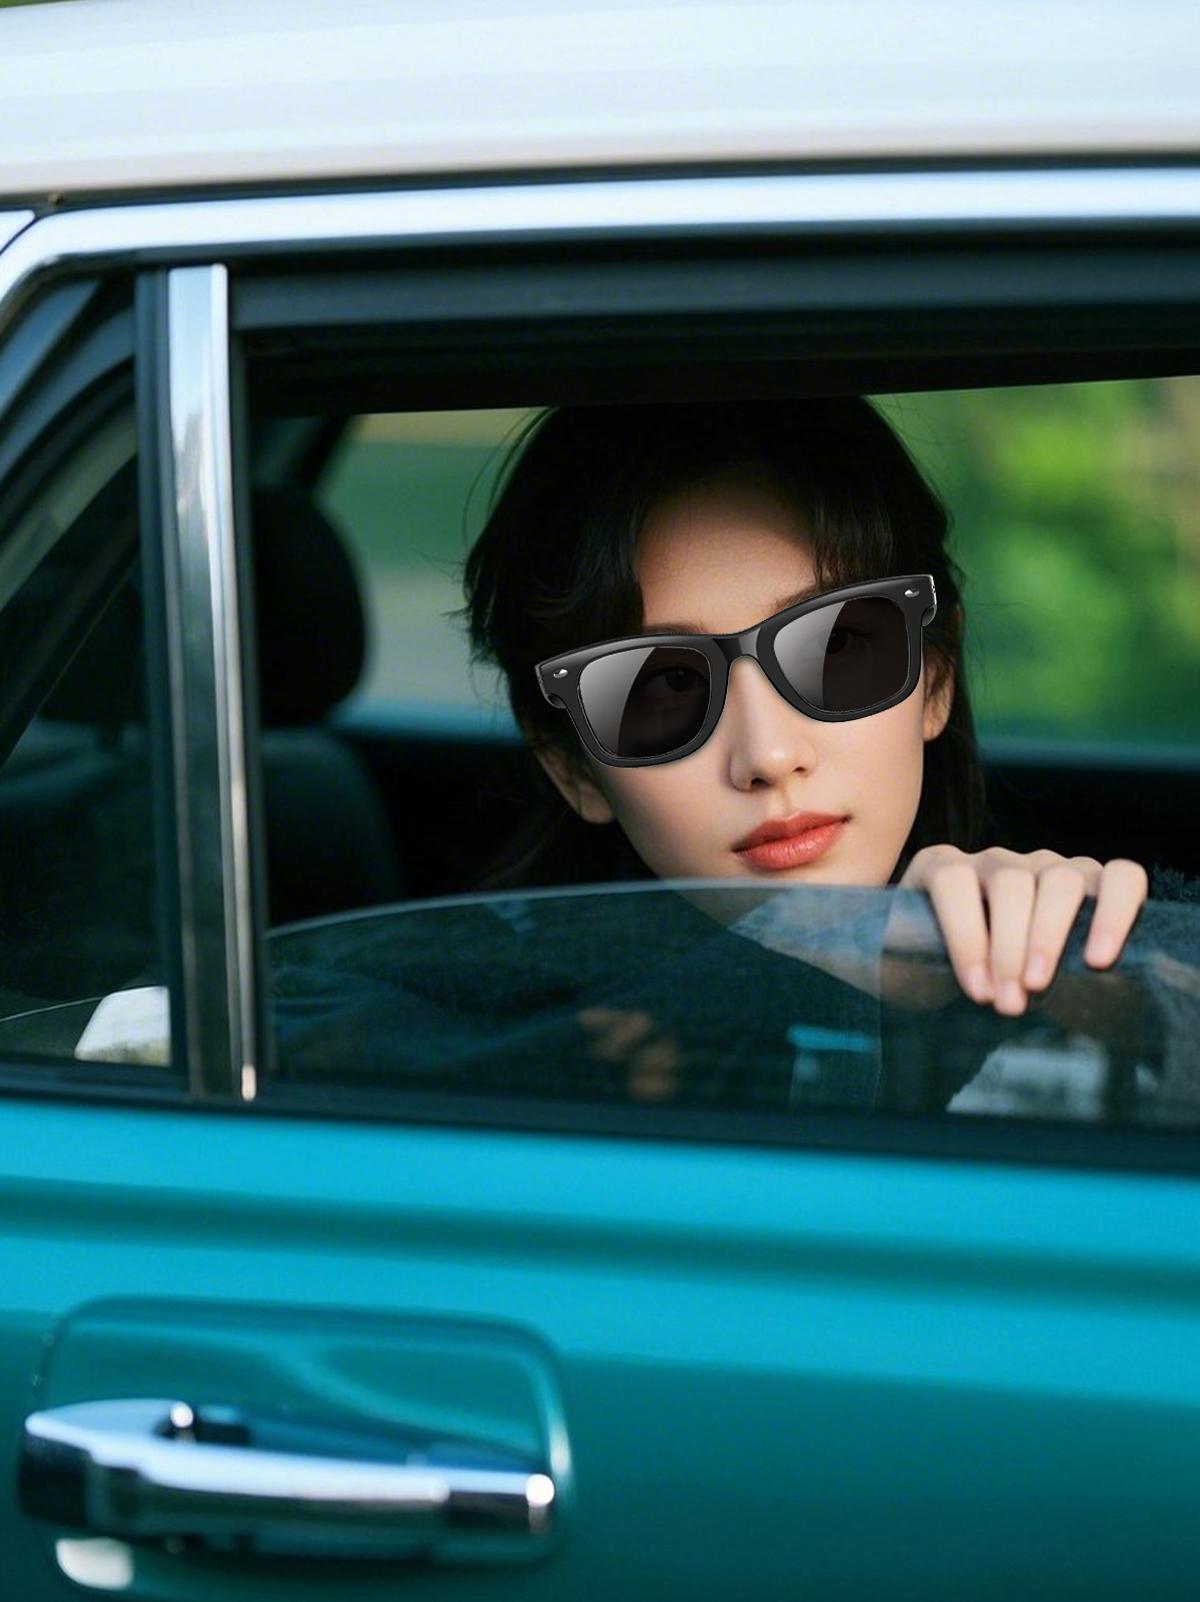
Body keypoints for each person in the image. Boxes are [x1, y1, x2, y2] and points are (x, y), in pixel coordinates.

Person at [457, 397, 1151, 1022]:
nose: (769, 755)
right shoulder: (472, 1047)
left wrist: (1112, 993)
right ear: (572, 765)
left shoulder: (1084, 976)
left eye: (834, 645)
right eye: (663, 684)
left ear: (935, 677)